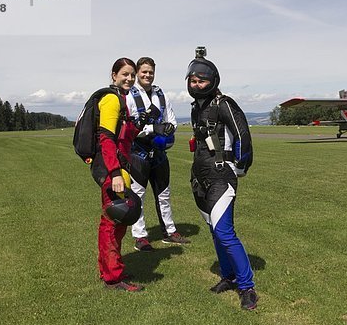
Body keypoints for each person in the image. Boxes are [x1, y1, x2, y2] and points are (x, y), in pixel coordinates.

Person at [186, 50, 258, 310]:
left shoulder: (224, 103)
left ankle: (247, 286)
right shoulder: (197, 108)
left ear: (212, 80)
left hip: (221, 175)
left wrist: (240, 166)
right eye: (193, 81)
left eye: (201, 81)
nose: (197, 85)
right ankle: (228, 277)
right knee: (214, 232)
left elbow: (242, 135)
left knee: (225, 232)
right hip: (200, 176)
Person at [91, 58, 146, 292]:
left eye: (132, 75)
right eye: (125, 74)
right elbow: (106, 138)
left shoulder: (121, 99)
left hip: (117, 168)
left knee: (118, 222)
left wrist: (137, 125)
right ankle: (113, 278)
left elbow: (122, 137)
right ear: (113, 75)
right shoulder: (112, 99)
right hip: (111, 170)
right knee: (113, 222)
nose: (130, 79)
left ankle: (110, 269)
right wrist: (114, 172)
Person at [126, 57, 190, 252]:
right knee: (138, 196)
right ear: (137, 72)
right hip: (139, 152)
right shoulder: (130, 95)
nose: (147, 75)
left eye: (150, 72)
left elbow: (171, 119)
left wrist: (168, 128)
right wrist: (154, 127)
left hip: (160, 153)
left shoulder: (160, 94)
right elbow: (130, 126)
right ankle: (140, 236)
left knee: (164, 194)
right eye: (144, 72)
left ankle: (169, 232)